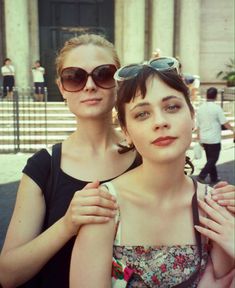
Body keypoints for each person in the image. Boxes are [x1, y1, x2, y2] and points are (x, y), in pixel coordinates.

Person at [0, 35, 234, 288]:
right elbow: (8, 274)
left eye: (102, 74)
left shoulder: (152, 153)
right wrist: (67, 225)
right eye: (74, 76)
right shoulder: (45, 166)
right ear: (62, 87)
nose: (89, 85)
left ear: (118, 84)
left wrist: (218, 200)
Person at [70, 57, 234, 287]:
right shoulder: (105, 207)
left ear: (192, 117)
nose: (160, 121)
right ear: (126, 131)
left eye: (172, 107)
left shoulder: (216, 210)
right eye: (142, 114)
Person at [196, 87, 234, 185]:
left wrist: (198, 137)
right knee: (214, 159)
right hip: (214, 139)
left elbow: (198, 125)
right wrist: (233, 130)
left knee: (210, 159)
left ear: (206, 96)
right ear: (216, 96)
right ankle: (201, 176)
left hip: (204, 138)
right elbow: (224, 122)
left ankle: (214, 178)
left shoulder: (201, 108)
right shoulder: (217, 108)